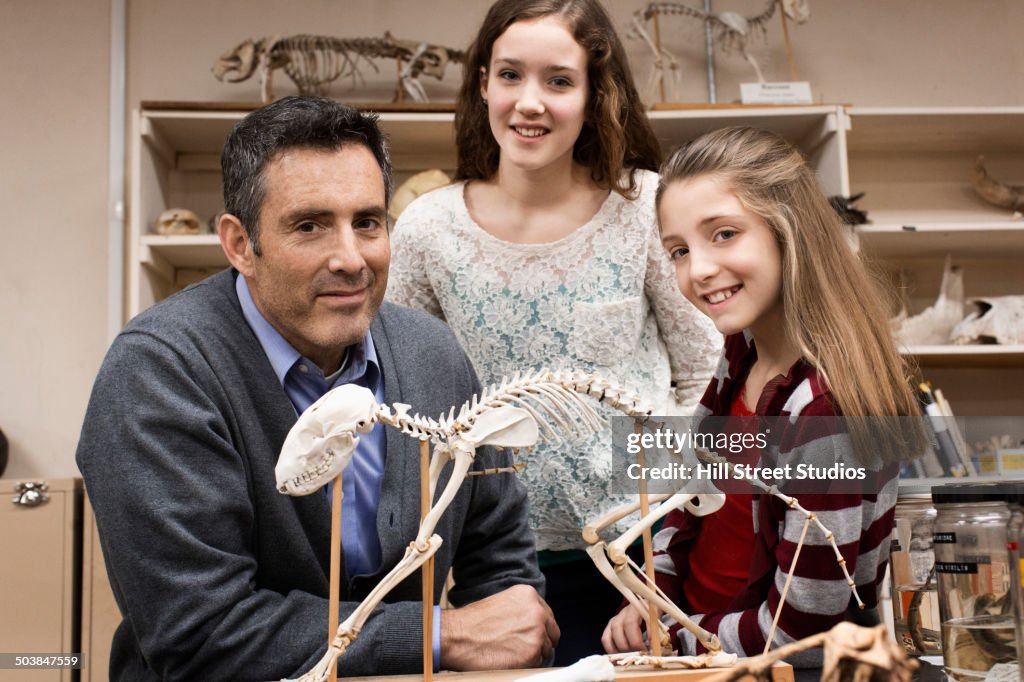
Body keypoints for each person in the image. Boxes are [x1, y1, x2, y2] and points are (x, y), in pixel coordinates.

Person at [75, 96, 558, 681]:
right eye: (310, 226)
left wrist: (515, 631)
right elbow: (199, 634)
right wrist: (438, 634)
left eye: (368, 222)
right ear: (239, 245)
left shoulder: (435, 357)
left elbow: (503, 566)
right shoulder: (157, 375)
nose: (351, 259)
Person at [386, 0, 721, 664]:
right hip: (501, 577)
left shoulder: (647, 207)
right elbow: (406, 401)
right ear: (483, 81)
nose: (529, 102)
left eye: (559, 81)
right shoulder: (427, 231)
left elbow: (708, 372)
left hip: (650, 562)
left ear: (596, 93)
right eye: (510, 75)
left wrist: (674, 552)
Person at [602, 126, 928, 666]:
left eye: (724, 234)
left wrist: (675, 641)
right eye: (678, 250)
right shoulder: (741, 353)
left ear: (790, 231)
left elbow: (804, 626)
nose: (698, 269)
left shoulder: (826, 411)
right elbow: (692, 498)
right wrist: (650, 598)